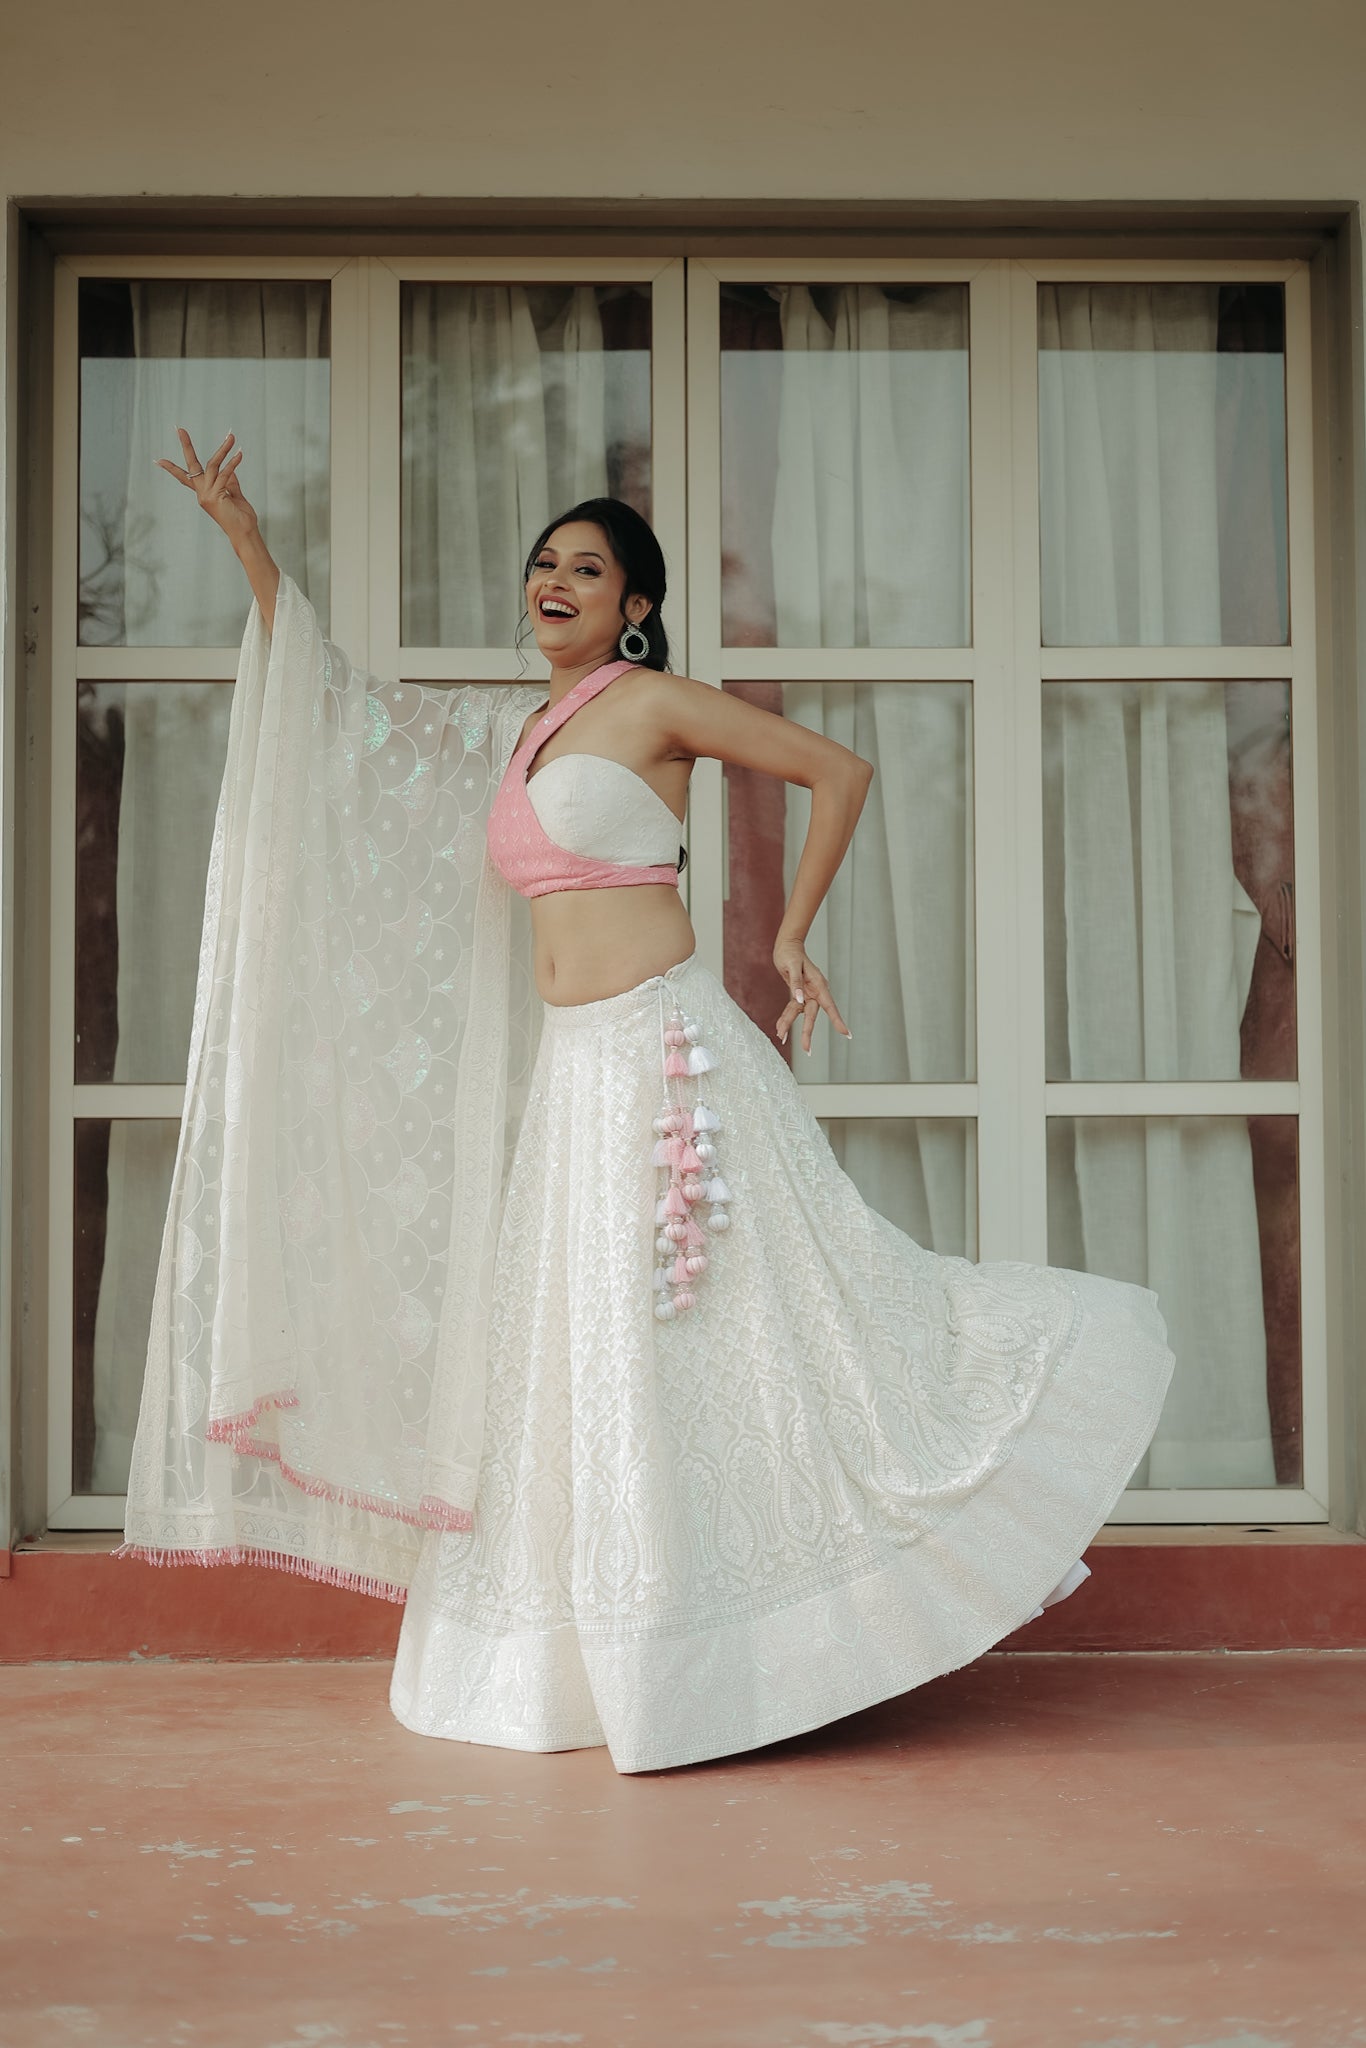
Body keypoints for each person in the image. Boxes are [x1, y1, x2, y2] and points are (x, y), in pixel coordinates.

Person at [116, 428, 1176, 1776]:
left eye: (588, 568)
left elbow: (835, 770)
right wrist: (250, 544)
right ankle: (620, 1654)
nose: (555, 581)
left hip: (666, 1065)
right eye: (543, 564)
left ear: (637, 607)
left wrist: (789, 936)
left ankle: (746, 1643)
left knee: (747, 1338)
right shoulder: (515, 735)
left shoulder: (655, 706)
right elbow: (340, 707)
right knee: (599, 1365)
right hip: (577, 1077)